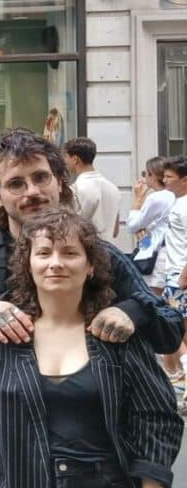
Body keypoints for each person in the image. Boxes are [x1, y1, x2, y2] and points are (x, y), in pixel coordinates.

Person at [0, 128, 184, 386]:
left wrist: (131, 311)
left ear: (60, 182)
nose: (32, 192)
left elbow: (170, 331)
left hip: (95, 418)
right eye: (16, 184)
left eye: (41, 178)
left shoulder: (101, 257)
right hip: (2, 421)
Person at [0, 208, 182, 488]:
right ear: (27, 264)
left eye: (69, 253)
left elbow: (155, 420)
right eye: (44, 253)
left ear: (90, 267)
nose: (56, 263)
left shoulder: (118, 336)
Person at [157, 156, 187, 383]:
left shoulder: (184, 206)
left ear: (184, 180)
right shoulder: (177, 203)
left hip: (179, 277)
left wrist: (183, 277)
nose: (165, 181)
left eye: (169, 177)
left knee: (174, 329)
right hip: (174, 275)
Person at [127, 156, 175, 295]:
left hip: (158, 255)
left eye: (145, 173)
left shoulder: (157, 197)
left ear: (153, 175)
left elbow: (132, 225)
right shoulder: (174, 196)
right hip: (168, 251)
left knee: (155, 296)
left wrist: (138, 199)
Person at [64, 137, 121, 239]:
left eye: (66, 157)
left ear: (75, 159)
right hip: (110, 251)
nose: (65, 161)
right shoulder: (113, 188)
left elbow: (70, 228)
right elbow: (115, 231)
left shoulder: (75, 189)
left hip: (88, 251)